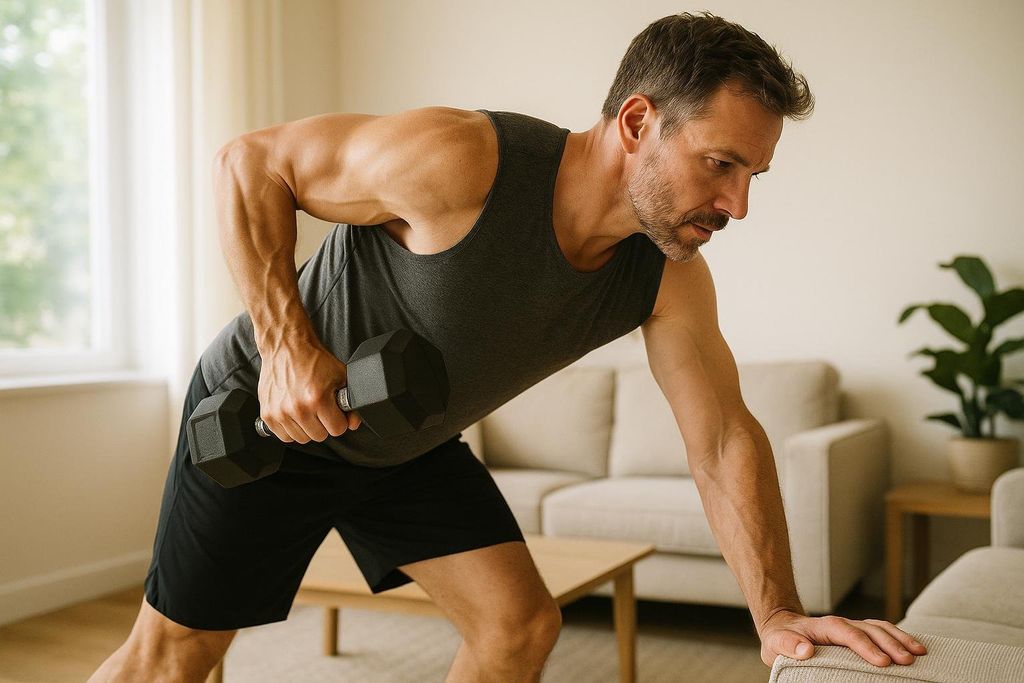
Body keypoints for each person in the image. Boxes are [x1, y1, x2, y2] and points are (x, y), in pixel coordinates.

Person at [91, 11, 927, 683]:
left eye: (753, 176)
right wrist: (282, 346)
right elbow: (249, 164)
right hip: (265, 418)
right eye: (720, 163)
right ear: (638, 121)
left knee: (519, 624)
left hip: (403, 444)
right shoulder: (462, 162)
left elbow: (718, 440)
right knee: (174, 661)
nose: (737, 204)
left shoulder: (666, 276)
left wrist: (775, 612)